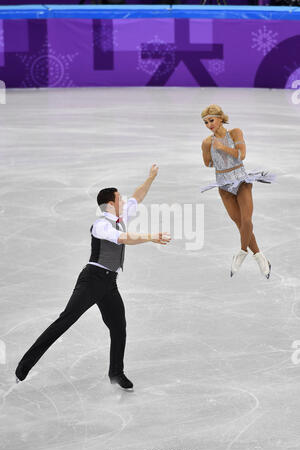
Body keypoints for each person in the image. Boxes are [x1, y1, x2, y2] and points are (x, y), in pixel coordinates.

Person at [15, 164, 171, 390]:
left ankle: (116, 373)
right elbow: (124, 238)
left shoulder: (118, 217)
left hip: (109, 284)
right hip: (92, 280)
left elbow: (138, 196)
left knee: (119, 327)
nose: (124, 202)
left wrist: (151, 178)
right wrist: (151, 237)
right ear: (110, 204)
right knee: (65, 321)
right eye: (120, 199)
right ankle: (23, 367)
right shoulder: (101, 225)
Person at [200, 104, 276, 279]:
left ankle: (242, 252)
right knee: (239, 224)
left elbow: (242, 155)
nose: (209, 124)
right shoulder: (206, 142)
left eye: (211, 120)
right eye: (205, 122)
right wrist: (215, 156)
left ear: (220, 118)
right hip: (223, 185)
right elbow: (207, 163)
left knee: (247, 220)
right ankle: (260, 257)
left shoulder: (235, 133)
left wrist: (222, 148)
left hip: (241, 180)